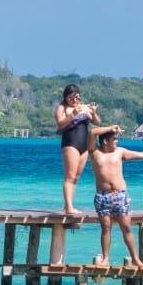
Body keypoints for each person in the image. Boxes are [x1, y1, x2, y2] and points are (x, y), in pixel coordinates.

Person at [88, 124, 143, 267]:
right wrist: (111, 128)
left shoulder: (120, 152)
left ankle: (135, 259)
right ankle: (105, 259)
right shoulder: (94, 152)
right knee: (106, 228)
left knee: (126, 227)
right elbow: (92, 132)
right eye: (114, 139)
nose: (117, 141)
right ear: (105, 141)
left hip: (120, 196)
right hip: (103, 197)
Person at [54, 84, 101, 212]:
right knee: (70, 176)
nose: (75, 101)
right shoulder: (62, 108)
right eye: (71, 98)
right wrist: (72, 114)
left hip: (84, 144)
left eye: (77, 98)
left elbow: (97, 122)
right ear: (65, 97)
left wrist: (94, 112)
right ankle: (69, 207)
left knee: (76, 177)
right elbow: (60, 123)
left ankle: (67, 205)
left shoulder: (83, 107)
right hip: (70, 143)